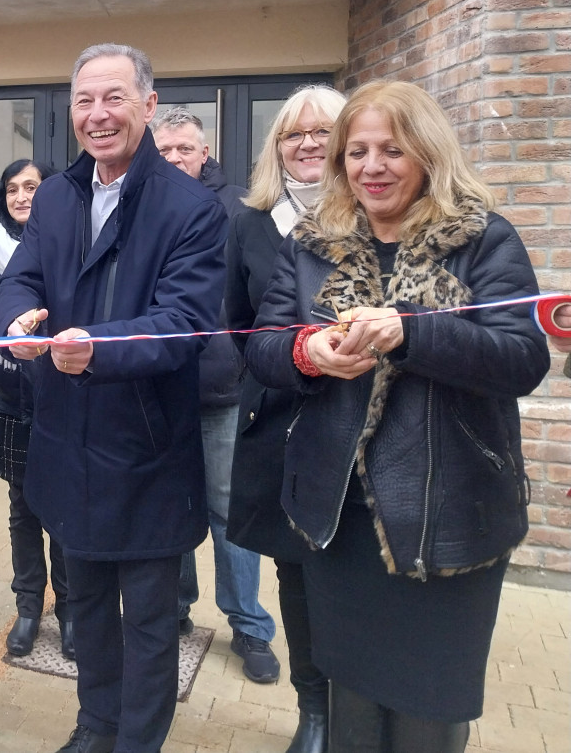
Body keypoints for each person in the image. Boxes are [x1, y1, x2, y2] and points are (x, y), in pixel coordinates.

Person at [245, 80, 549, 753]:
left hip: (447, 518)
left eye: (392, 149)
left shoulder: (482, 239)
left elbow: (523, 358)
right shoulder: (312, 242)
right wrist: (308, 350)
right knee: (352, 706)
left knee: (425, 718)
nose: (372, 166)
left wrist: (409, 332)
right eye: (357, 151)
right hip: (339, 520)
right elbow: (262, 347)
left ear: (428, 154)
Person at [0, 44, 229, 753]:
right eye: (85, 101)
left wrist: (97, 347)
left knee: (151, 622)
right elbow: (22, 276)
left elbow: (184, 325)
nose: (98, 115)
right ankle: (94, 726)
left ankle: (136, 742)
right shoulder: (60, 194)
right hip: (66, 442)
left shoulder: (191, 208)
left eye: (114, 98)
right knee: (86, 609)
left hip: (148, 451)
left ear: (149, 106)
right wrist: (16, 317)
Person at [224, 84, 346, 753]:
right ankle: (315, 710)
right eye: (293, 135)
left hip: (357, 422)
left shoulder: (371, 215)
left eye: (321, 133)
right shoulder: (251, 222)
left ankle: (357, 703)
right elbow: (238, 321)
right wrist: (285, 358)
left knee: (347, 571)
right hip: (277, 419)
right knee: (294, 573)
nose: (306, 145)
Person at [151, 108, 280, 684]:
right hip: (158, 389)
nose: (176, 158)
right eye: (167, 150)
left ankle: (249, 625)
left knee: (230, 512)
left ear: (205, 153)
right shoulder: (142, 206)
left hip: (224, 389)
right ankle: (175, 609)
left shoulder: (239, 209)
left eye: (185, 149)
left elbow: (256, 299)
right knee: (171, 506)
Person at [0, 159, 72, 660]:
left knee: (65, 513)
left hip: (64, 401)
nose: (21, 196)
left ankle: (70, 612)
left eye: (32, 187)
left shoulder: (70, 246)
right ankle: (28, 608)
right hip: (8, 403)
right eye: (12, 189)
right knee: (22, 511)